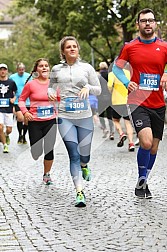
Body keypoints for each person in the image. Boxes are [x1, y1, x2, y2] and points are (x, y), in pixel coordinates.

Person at [112, 8, 167, 199]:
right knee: (145, 142)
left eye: (151, 20)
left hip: (159, 103)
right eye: (144, 21)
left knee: (153, 148)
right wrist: (127, 83)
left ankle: (143, 180)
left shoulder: (164, 46)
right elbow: (116, 68)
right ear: (138, 24)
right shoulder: (130, 47)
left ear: (155, 23)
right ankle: (142, 180)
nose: (147, 24)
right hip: (138, 102)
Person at [48, 36, 101, 207]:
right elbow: (51, 85)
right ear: (63, 51)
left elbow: (99, 90)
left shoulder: (87, 68)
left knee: (84, 155)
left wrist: (88, 88)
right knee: (74, 154)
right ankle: (79, 192)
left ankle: (85, 165)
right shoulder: (56, 69)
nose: (72, 49)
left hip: (84, 116)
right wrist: (50, 91)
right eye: (68, 47)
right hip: (65, 117)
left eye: (74, 46)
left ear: (78, 49)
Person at [19, 58, 57, 185]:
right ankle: (35, 151)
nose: (44, 68)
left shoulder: (54, 84)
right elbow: (21, 100)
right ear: (36, 69)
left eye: (46, 66)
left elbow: (61, 99)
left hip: (51, 121)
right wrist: (25, 112)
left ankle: (47, 174)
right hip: (35, 121)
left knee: (49, 149)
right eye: (41, 66)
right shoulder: (31, 84)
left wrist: (58, 100)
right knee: (36, 153)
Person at [108, 65, 135, 151]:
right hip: (127, 100)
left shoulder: (112, 74)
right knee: (128, 122)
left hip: (116, 101)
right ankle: (131, 143)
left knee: (116, 120)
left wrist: (112, 92)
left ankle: (121, 133)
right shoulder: (127, 73)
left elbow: (109, 86)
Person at [10, 62, 31, 144]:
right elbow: (10, 88)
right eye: (19, 70)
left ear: (24, 69)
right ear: (17, 70)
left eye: (22, 69)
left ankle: (24, 136)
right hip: (17, 100)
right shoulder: (12, 77)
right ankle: (19, 135)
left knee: (26, 121)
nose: (21, 71)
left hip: (28, 101)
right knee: (20, 118)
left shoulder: (29, 76)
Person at [0, 63, 17, 153]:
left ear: (6, 71)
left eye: (4, 70)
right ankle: (5, 145)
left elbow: (16, 93)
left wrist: (13, 99)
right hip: (0, 109)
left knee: (9, 129)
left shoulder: (11, 82)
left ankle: (6, 135)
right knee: (0, 127)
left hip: (8, 109)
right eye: (1, 70)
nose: (2, 71)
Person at [98, 62, 115, 139]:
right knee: (109, 115)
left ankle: (104, 129)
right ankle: (112, 132)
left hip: (100, 98)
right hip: (109, 97)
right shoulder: (110, 75)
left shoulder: (98, 77)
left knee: (101, 114)